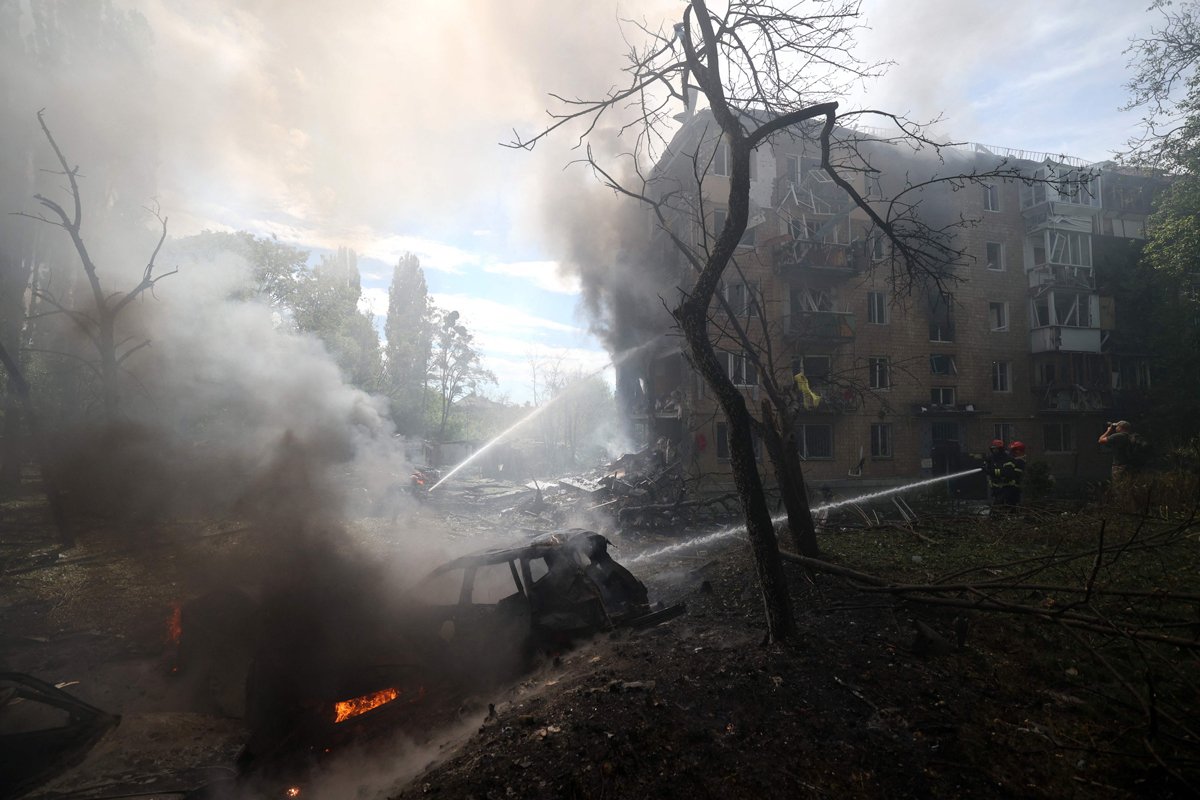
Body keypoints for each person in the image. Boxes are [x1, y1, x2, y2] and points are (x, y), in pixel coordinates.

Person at [983, 439, 1008, 513]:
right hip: (994, 486)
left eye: (995, 449)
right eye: (993, 449)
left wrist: (990, 471)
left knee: (1000, 504)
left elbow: (1003, 471)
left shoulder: (1006, 457)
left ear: (1000, 449)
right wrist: (984, 466)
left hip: (1004, 487)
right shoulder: (991, 457)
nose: (994, 450)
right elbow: (986, 462)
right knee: (997, 503)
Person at [1000, 441, 1026, 507]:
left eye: (1013, 450)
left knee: (1012, 506)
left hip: (1013, 489)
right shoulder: (1013, 460)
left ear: (1018, 451)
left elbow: (1016, 475)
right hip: (1008, 488)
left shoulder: (1020, 461)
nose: (1011, 452)